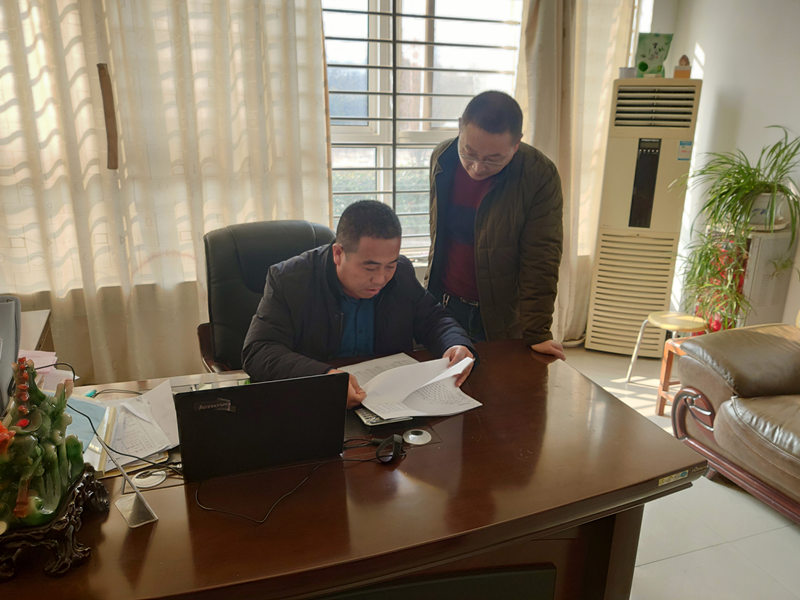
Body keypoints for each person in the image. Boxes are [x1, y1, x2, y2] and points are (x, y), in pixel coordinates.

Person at [242, 200, 475, 408]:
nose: (381, 279)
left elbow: (434, 318)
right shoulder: (290, 279)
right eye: (370, 268)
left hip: (389, 402)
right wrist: (325, 377)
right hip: (319, 403)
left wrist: (455, 344)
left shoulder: (401, 273)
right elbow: (259, 351)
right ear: (338, 253)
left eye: (390, 265)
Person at [424, 90, 565, 360]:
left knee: (500, 383)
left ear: (516, 144)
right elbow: (439, 236)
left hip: (498, 316)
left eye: (493, 159)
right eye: (469, 153)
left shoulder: (538, 174)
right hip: (445, 306)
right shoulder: (443, 158)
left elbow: (541, 258)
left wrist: (537, 332)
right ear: (460, 127)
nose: (477, 167)